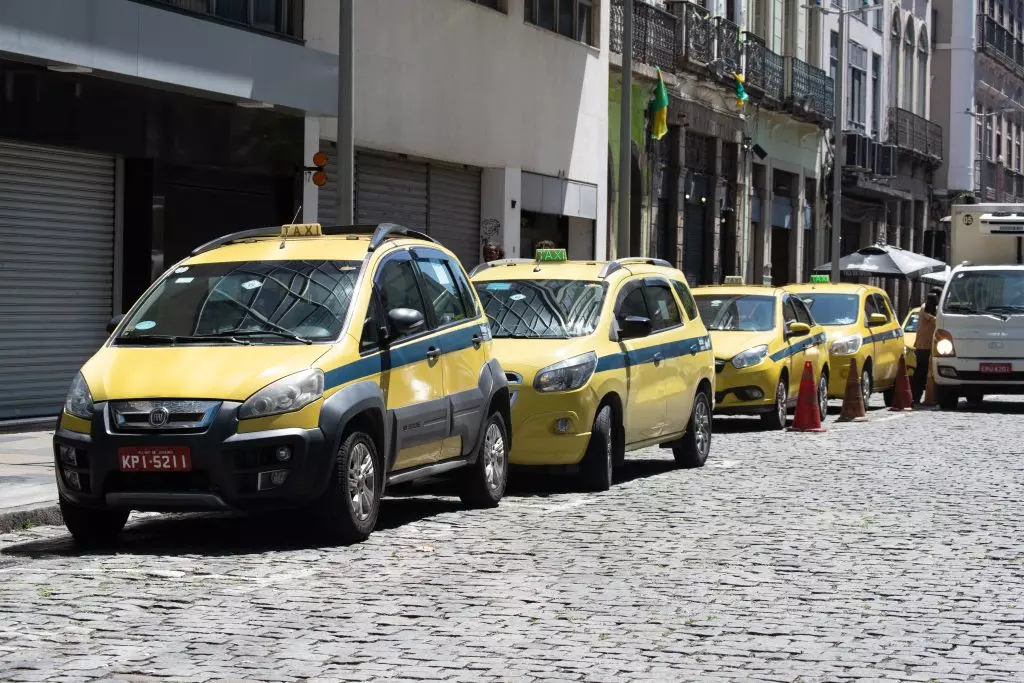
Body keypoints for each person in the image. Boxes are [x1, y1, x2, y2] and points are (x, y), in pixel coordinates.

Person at [912, 291, 938, 403]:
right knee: (921, 373)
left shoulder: (931, 308)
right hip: (923, 347)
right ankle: (915, 397)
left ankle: (929, 396)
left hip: (930, 346)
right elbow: (935, 320)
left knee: (928, 373)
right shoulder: (925, 308)